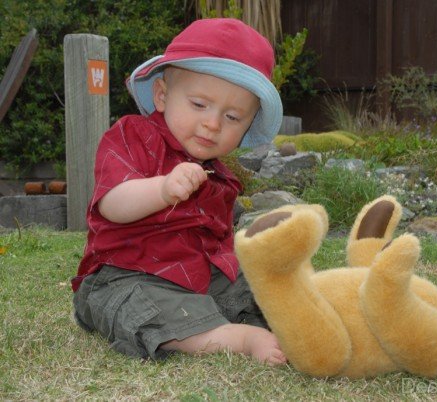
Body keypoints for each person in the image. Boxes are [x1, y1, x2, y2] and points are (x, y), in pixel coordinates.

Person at [71, 18, 286, 366]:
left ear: (247, 127)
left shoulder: (220, 176)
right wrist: (162, 188)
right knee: (148, 307)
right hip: (126, 274)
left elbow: (220, 241)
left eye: (232, 117)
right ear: (162, 95)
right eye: (199, 105)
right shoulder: (132, 136)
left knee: (260, 287)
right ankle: (235, 338)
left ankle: (303, 321)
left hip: (199, 276)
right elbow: (111, 203)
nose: (212, 123)